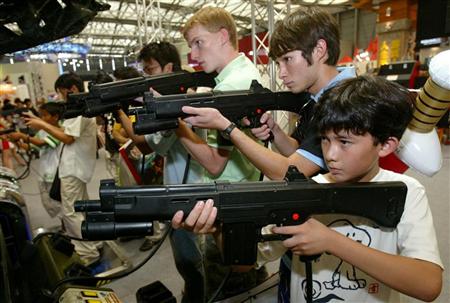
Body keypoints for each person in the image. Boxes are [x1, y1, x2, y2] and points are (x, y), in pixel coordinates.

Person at [173, 75, 443, 302]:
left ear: (385, 145)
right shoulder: (303, 190)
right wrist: (221, 228)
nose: (331, 154)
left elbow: (428, 284)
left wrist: (331, 241)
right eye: (324, 140)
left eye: (345, 142)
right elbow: (244, 263)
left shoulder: (407, 191)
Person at [181, 6, 355, 180]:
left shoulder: (342, 102)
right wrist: (275, 131)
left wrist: (228, 128)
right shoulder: (317, 97)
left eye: (288, 59)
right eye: (279, 64)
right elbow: (300, 151)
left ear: (319, 50)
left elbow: (287, 173)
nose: (281, 73)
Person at [116, 41, 208, 302]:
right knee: (190, 263)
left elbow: (147, 145)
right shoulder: (174, 98)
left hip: (189, 193)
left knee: (191, 263)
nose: (147, 76)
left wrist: (121, 110)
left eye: (150, 69)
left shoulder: (180, 101)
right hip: (180, 188)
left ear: (168, 67)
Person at [25, 73, 102, 267]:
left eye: (61, 92)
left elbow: (68, 138)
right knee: (82, 209)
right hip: (75, 166)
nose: (59, 97)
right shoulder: (79, 107)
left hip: (74, 168)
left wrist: (41, 124)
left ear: (73, 89)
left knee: (71, 212)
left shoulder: (80, 108)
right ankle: (93, 242)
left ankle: (87, 253)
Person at [8, 102, 64, 220]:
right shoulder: (42, 132)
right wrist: (15, 141)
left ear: (56, 116)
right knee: (49, 203)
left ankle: (68, 229)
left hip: (56, 173)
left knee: (60, 203)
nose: (42, 119)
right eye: (41, 116)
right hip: (44, 172)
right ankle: (65, 227)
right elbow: (31, 147)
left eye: (45, 115)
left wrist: (22, 136)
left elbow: (42, 143)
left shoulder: (58, 130)